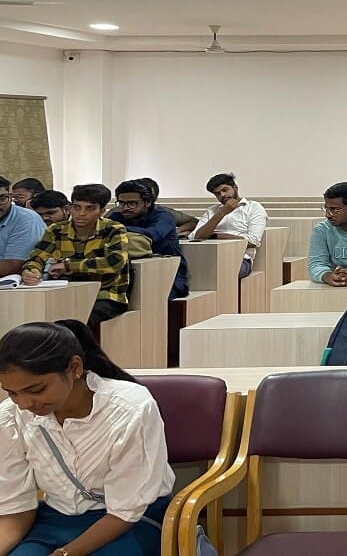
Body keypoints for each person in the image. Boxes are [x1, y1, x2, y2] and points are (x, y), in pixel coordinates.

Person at [0, 320, 174, 556]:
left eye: (36, 390)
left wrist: (65, 553)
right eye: (12, 393)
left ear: (74, 368)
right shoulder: (10, 417)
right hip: (54, 520)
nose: (24, 403)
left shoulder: (130, 408)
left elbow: (125, 512)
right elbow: (16, 510)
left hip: (131, 521)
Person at [20, 184, 130, 339]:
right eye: (77, 207)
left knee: (76, 323)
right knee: (34, 316)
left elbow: (115, 262)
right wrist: (31, 270)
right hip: (67, 293)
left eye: (90, 208)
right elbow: (37, 257)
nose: (81, 214)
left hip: (105, 295)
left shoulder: (114, 229)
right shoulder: (56, 230)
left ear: (102, 211)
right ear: (70, 208)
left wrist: (68, 266)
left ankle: (82, 353)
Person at [106, 180, 189, 299]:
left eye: (132, 203)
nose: (125, 208)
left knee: (152, 298)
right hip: (127, 271)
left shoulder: (163, 216)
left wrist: (118, 229)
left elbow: (153, 234)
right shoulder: (116, 216)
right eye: (121, 203)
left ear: (148, 202)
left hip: (167, 271)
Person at [190, 172, 267, 279]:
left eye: (225, 190)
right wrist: (221, 213)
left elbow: (253, 241)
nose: (222, 195)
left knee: (219, 270)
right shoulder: (212, 211)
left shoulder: (253, 208)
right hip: (209, 257)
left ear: (235, 187)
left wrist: (217, 236)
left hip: (240, 259)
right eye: (217, 193)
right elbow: (196, 237)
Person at [0, 177, 45, 278]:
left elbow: (13, 266)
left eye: (2, 198)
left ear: (10, 197)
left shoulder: (26, 219)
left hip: (19, 283)